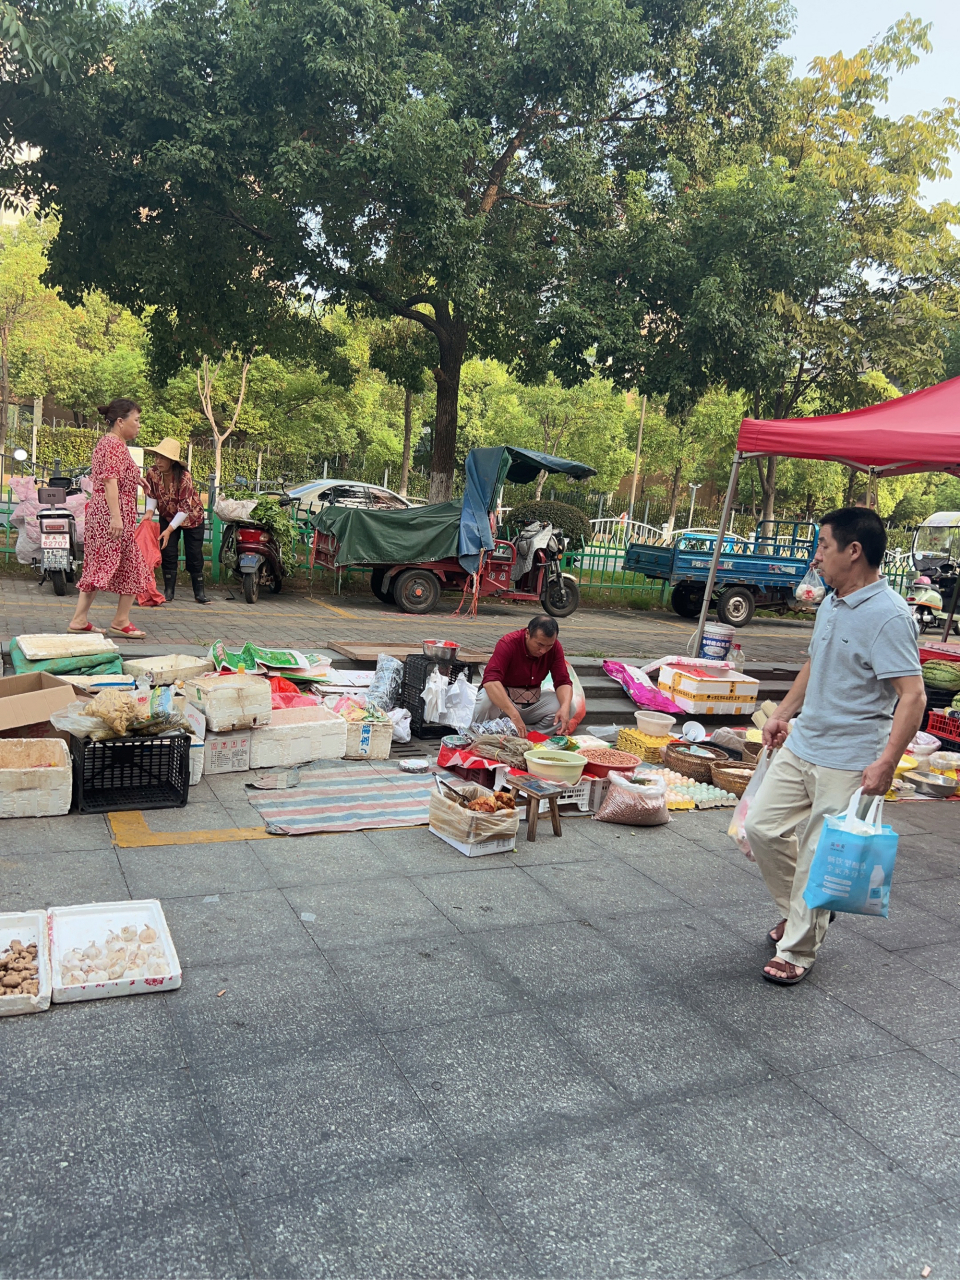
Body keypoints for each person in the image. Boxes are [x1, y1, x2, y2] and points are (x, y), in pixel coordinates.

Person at [744, 507, 925, 986]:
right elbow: (815, 662)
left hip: (849, 759)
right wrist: (782, 714)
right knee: (761, 829)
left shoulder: (890, 617)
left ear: (854, 551)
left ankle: (797, 949)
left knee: (815, 856)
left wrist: (887, 762)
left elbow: (913, 696)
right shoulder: (832, 601)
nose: (817, 555)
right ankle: (804, 912)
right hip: (804, 742)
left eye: (823, 545)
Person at [68, 399, 153, 638]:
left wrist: (136, 478)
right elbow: (109, 481)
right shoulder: (113, 444)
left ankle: (98, 619)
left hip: (110, 514)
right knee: (109, 565)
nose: (139, 425)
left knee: (124, 565)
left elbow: (116, 473)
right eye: (136, 420)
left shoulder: (115, 443)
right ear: (120, 421)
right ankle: (105, 620)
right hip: (110, 515)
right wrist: (116, 518)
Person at [473, 615, 573, 736]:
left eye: (549, 646)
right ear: (527, 634)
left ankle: (529, 735)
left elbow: (563, 681)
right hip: (505, 704)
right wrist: (514, 715)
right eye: (540, 644)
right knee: (486, 699)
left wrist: (565, 707)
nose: (543, 651)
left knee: (567, 705)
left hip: (533, 702)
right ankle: (482, 734)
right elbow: (490, 681)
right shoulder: (508, 643)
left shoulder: (555, 647)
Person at [142, 438, 209, 604]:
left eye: (162, 458)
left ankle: (199, 593)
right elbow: (151, 495)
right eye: (157, 457)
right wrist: (149, 511)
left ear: (172, 461)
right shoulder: (152, 473)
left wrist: (169, 530)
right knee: (168, 552)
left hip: (191, 518)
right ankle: (168, 591)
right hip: (167, 516)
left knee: (194, 554)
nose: (158, 461)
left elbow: (184, 509)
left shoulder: (184, 477)